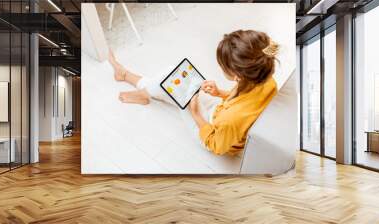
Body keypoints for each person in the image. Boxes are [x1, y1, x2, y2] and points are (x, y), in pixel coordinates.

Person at [109, 29, 278, 156]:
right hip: (223, 112)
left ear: (236, 75)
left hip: (213, 133)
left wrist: (195, 114)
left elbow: (216, 145)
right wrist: (219, 93)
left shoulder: (231, 120)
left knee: (173, 85)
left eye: (222, 66)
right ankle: (140, 89)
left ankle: (132, 82)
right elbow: (244, 102)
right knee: (171, 78)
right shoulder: (265, 79)